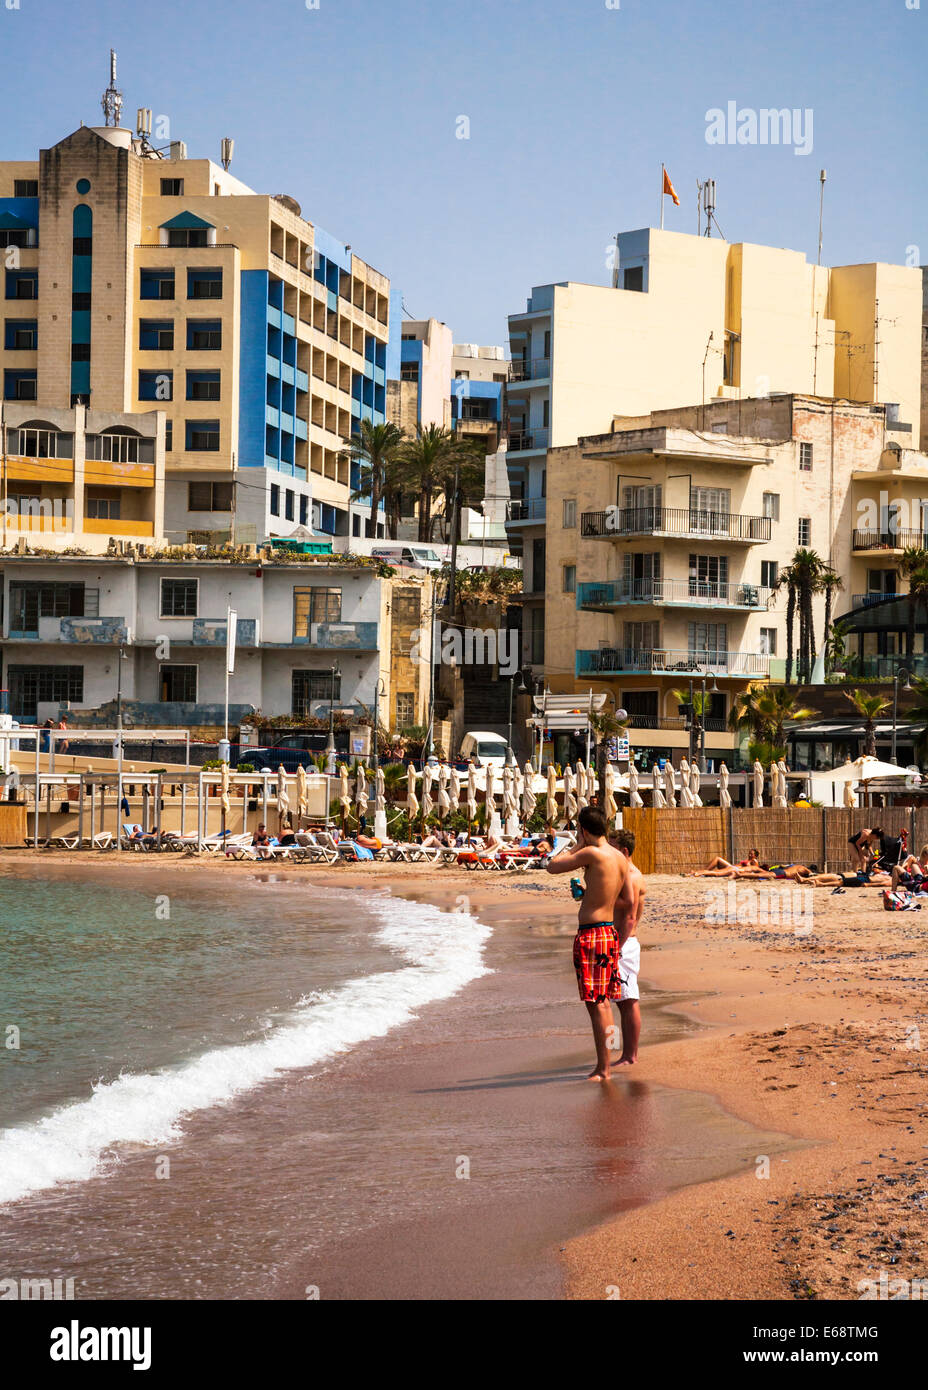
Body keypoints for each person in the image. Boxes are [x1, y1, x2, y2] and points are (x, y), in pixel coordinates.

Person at [546, 805, 632, 1082]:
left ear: (583, 829)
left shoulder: (591, 852)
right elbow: (627, 900)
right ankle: (605, 1063)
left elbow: (552, 866)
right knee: (604, 1002)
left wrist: (576, 845)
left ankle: (603, 1069)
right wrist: (593, 893)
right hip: (609, 932)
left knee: (595, 1005)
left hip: (591, 933)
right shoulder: (619, 857)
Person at [609, 828, 645, 1067]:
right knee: (621, 999)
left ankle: (630, 1055)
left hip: (624, 942)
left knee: (628, 999)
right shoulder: (624, 874)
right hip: (621, 942)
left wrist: (617, 948)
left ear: (623, 851)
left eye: (612, 849)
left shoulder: (631, 875)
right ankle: (625, 1053)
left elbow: (630, 918)